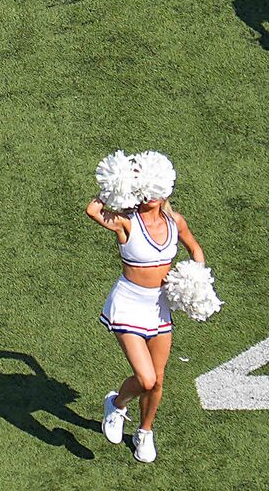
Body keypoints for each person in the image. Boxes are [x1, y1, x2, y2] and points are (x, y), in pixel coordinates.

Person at [87, 150, 205, 465]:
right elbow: (93, 210)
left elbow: (196, 249)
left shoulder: (174, 220)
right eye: (144, 190)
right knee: (146, 378)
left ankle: (145, 431)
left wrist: (196, 278)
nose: (149, 197)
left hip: (159, 306)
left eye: (155, 192)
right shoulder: (126, 221)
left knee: (159, 378)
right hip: (128, 304)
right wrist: (116, 183)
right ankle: (117, 404)